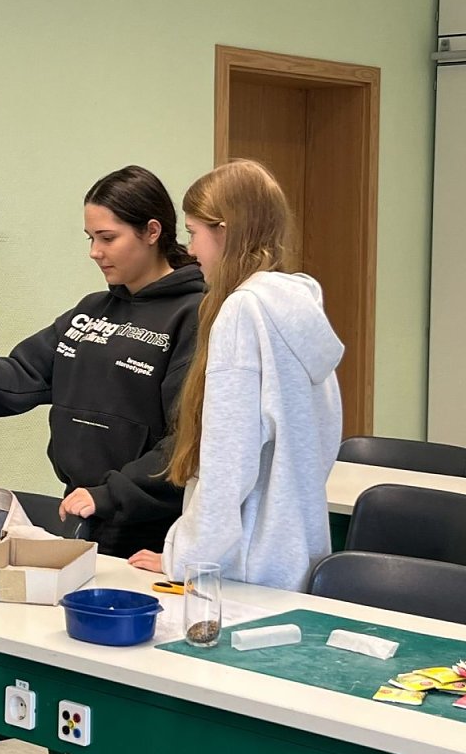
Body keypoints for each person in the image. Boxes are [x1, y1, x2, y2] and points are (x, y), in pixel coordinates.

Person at [0, 164, 205, 754]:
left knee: (136, 723)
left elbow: (187, 441)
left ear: (153, 231)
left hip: (152, 536)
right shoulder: (90, 315)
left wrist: (110, 492)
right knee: (85, 713)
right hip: (86, 531)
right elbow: (17, 379)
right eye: (89, 238)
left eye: (107, 237)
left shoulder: (195, 315)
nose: (95, 252)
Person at [130, 158, 344, 595]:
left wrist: (184, 557)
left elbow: (228, 464)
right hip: (294, 555)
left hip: (239, 570)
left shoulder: (243, 312)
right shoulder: (297, 310)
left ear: (224, 231)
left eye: (194, 232)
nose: (191, 250)